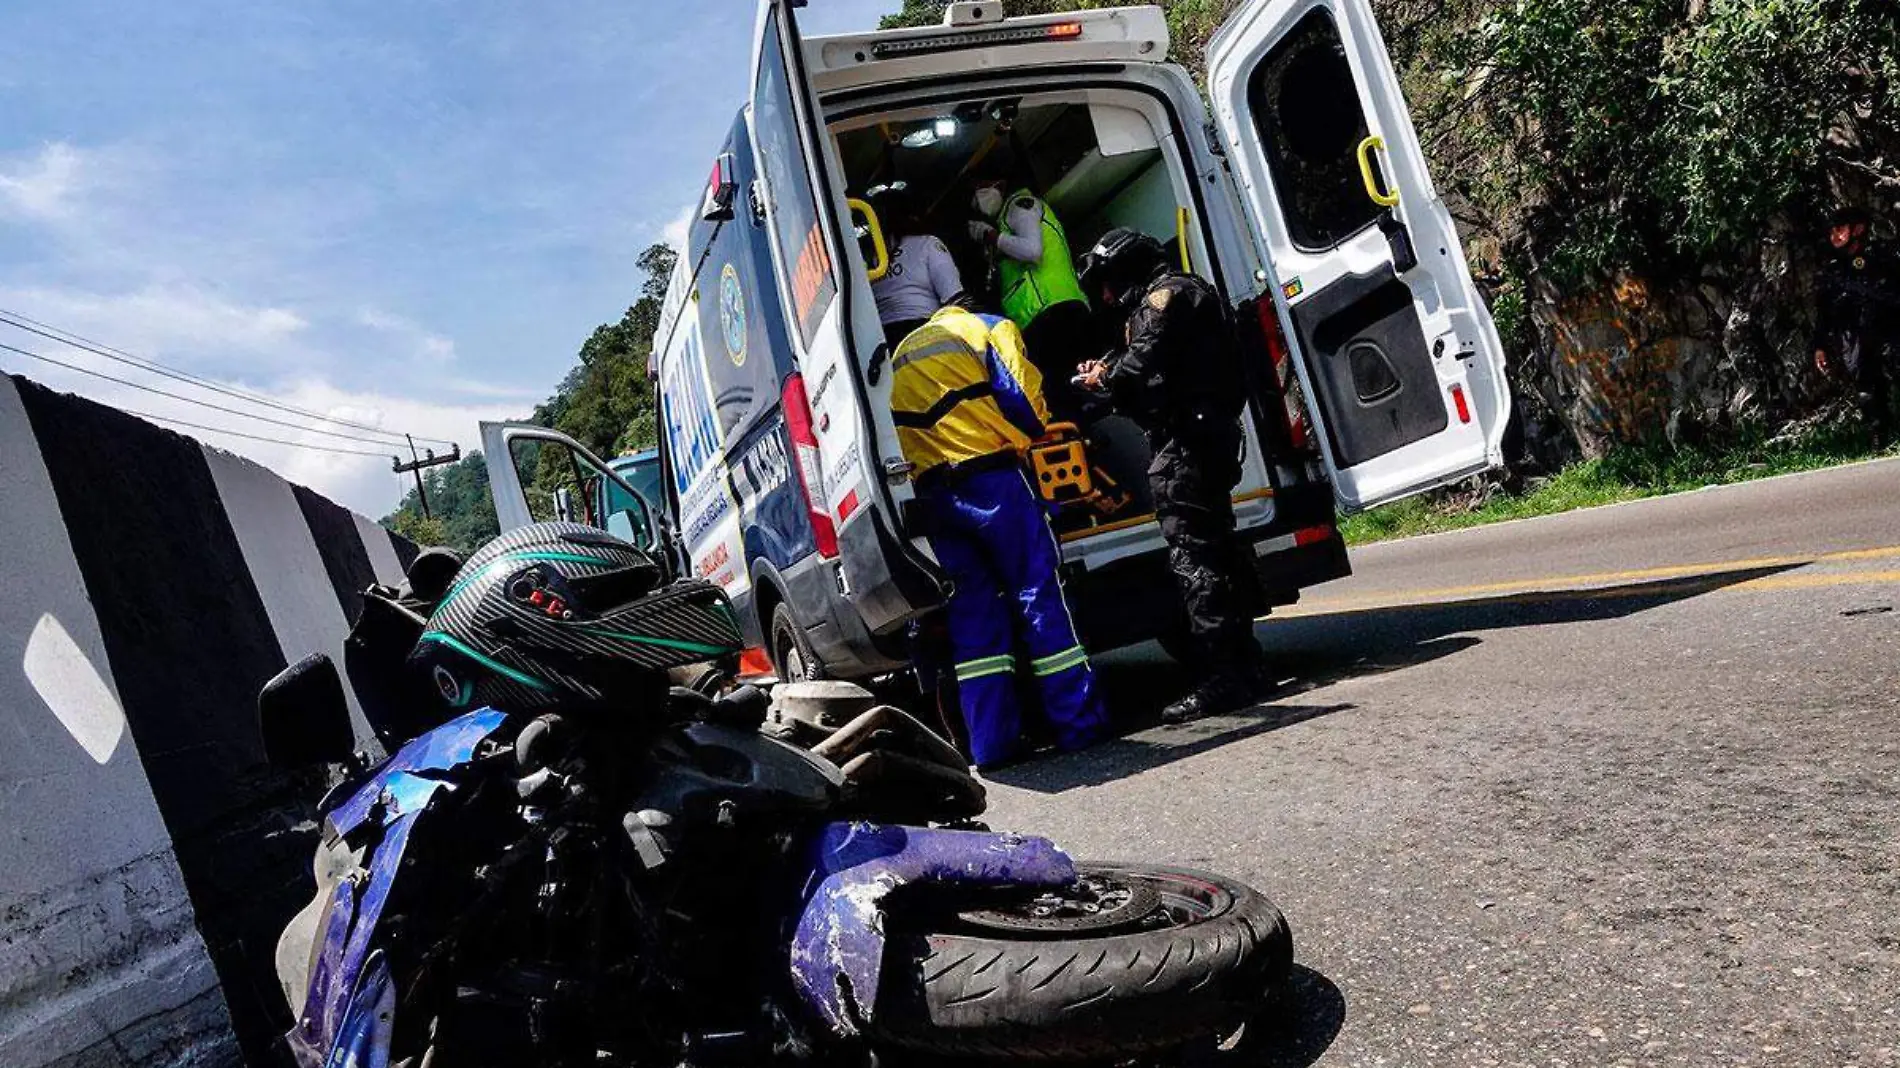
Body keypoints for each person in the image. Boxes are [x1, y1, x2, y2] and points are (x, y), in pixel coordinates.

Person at [891, 302, 1107, 768]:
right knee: (1038, 592)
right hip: (993, 481)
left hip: (932, 496)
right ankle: (1079, 725)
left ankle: (991, 746)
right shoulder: (988, 327)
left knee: (973, 616)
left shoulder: (902, 353)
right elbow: (1026, 403)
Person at [1075, 228, 1263, 724]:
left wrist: (1106, 377)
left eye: (1110, 282)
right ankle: (1245, 667)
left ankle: (1225, 678)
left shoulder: (1168, 295)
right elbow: (1154, 366)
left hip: (1186, 448)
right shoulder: (1176, 295)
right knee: (1216, 553)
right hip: (1197, 442)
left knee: (1195, 562)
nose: (1109, 296)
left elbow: (1142, 363)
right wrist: (1111, 371)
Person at [968, 180, 1097, 421]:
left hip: (1052, 309)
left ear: (999, 184)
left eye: (981, 189)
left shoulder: (1019, 206)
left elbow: (1032, 251)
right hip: (1043, 314)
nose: (978, 198)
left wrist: (993, 237)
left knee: (1063, 391)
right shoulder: (1007, 218)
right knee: (1065, 391)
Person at [1813, 206, 1899, 446]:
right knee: (1866, 386)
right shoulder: (1831, 269)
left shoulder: (1882, 256)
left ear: (1858, 229)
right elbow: (1824, 312)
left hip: (1889, 329)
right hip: (1854, 336)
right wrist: (1819, 345)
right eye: (1832, 231)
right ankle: (1879, 439)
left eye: (1840, 229)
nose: (1835, 236)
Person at [867, 184, 967, 350]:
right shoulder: (927, 244)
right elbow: (955, 298)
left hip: (885, 345)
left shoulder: (869, 262)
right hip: (926, 335)